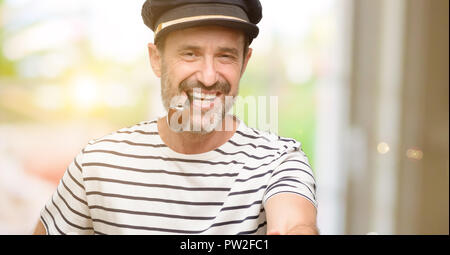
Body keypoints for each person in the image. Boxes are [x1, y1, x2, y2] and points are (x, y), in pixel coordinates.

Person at [33, 0, 318, 235]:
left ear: (244, 63)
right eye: (190, 54)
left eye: (225, 56)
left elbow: (295, 225)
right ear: (156, 59)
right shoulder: (97, 164)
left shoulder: (278, 161)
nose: (208, 77)